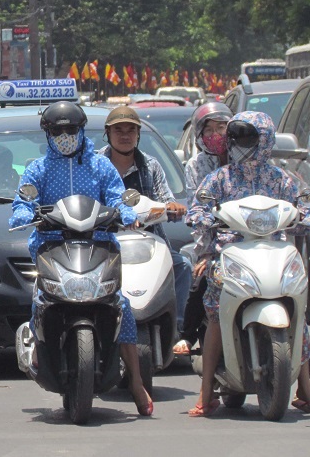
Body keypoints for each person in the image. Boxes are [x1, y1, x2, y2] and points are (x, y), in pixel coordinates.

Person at [9, 101, 153, 416]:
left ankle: (137, 382)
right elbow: (22, 201)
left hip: (98, 243)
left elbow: (117, 196)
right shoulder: (38, 169)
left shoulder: (100, 167)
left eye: (70, 129)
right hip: (51, 245)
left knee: (121, 305)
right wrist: (26, 213)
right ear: (47, 133)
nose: (64, 135)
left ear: (81, 130)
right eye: (57, 130)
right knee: (39, 297)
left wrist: (126, 213)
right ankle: (37, 349)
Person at [185, 111, 310, 417]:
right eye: (235, 138)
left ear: (265, 141)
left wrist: (301, 216)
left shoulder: (284, 179)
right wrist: (205, 216)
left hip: (275, 255)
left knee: (300, 315)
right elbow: (197, 207)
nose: (240, 144)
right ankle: (205, 395)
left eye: (248, 138)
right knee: (215, 313)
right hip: (229, 256)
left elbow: (304, 205)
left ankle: (306, 389)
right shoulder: (219, 178)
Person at [96, 106, 191, 333]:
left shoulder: (151, 166)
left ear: (138, 134)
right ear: (108, 134)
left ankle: (176, 329)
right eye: (118, 130)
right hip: (107, 244)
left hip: (150, 242)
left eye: (131, 130)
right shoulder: (96, 165)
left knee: (184, 266)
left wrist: (172, 208)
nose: (125, 135)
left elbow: (166, 200)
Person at [173, 102, 232, 356]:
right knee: (201, 277)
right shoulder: (196, 166)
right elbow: (198, 210)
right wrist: (207, 250)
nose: (217, 135)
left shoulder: (245, 158)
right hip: (213, 237)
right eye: (210, 130)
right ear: (199, 135)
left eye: (222, 128)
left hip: (249, 235)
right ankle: (187, 334)